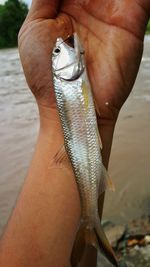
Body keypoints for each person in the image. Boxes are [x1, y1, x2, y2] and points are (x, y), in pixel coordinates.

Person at [0, 1, 149, 266]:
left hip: (82, 134)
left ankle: (90, 226)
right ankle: (89, 225)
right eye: (58, 51)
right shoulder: (66, 77)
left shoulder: (74, 71)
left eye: (58, 50)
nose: (62, 47)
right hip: (80, 136)